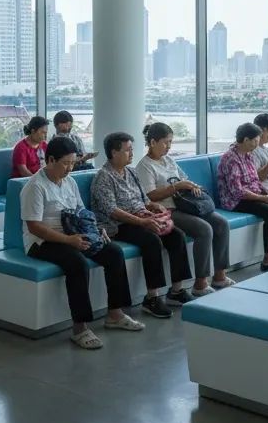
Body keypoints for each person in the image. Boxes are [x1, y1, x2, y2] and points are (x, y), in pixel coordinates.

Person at [22, 135, 143, 349]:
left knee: (113, 252)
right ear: (50, 160)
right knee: (76, 263)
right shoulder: (35, 186)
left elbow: (81, 212)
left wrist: (96, 231)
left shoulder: (69, 182)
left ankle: (115, 313)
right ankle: (80, 328)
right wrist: (69, 240)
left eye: (73, 163)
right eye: (65, 163)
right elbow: (34, 227)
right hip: (43, 241)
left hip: (73, 234)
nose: (70, 169)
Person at [91, 131, 193, 318]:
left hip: (141, 217)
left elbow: (144, 198)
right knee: (151, 240)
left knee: (176, 235)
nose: (131, 154)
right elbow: (112, 210)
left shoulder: (131, 172)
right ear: (114, 152)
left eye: (131, 150)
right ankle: (152, 297)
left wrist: (154, 206)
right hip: (119, 225)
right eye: (128, 150)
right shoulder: (103, 177)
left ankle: (176, 290)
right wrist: (142, 221)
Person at [137, 122, 233, 296]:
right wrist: (176, 187)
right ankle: (200, 283)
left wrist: (191, 186)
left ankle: (220, 275)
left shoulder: (169, 160)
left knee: (221, 223)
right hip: (168, 210)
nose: (169, 146)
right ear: (152, 142)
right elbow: (150, 195)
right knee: (204, 229)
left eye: (171, 142)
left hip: (186, 204)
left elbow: (184, 179)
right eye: (165, 142)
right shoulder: (144, 166)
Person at [217, 123, 268, 270]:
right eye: (255, 141)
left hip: (253, 195)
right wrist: (263, 199)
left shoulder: (247, 155)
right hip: (235, 201)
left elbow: (255, 180)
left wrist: (267, 193)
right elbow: (237, 192)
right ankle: (267, 259)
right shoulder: (230, 159)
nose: (257, 144)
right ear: (246, 140)